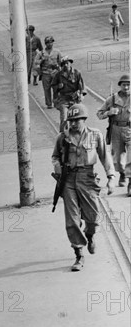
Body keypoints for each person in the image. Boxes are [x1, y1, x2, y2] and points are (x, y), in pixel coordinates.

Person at [51, 104, 114, 272]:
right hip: (68, 180)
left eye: (76, 120)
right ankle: (78, 254)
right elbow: (55, 156)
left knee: (93, 219)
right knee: (72, 220)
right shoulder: (62, 138)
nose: (73, 124)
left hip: (88, 178)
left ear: (84, 120)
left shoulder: (95, 135)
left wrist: (111, 177)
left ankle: (90, 235)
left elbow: (104, 156)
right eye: (71, 120)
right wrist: (57, 166)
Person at [96, 74, 131, 194]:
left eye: (128, 84)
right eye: (124, 84)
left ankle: (130, 182)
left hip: (130, 129)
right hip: (116, 129)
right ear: (120, 85)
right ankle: (122, 173)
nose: (126, 87)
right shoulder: (112, 99)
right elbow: (99, 113)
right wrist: (109, 112)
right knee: (117, 158)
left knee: (130, 157)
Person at [52, 56, 85, 132]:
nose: (65, 65)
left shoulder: (77, 73)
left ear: (70, 63)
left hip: (74, 99)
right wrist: (58, 86)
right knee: (64, 118)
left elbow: (82, 86)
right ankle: (62, 136)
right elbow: (53, 86)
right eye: (63, 64)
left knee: (78, 118)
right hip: (64, 100)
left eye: (67, 63)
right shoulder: (58, 75)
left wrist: (81, 94)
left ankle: (78, 133)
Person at [34, 36, 62, 109]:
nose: (50, 44)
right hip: (45, 73)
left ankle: (56, 102)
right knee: (47, 89)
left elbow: (61, 62)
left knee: (56, 89)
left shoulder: (57, 52)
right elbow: (35, 62)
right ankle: (49, 104)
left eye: (51, 42)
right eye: (48, 43)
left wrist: (58, 68)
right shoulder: (41, 53)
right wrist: (42, 60)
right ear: (45, 44)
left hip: (55, 73)